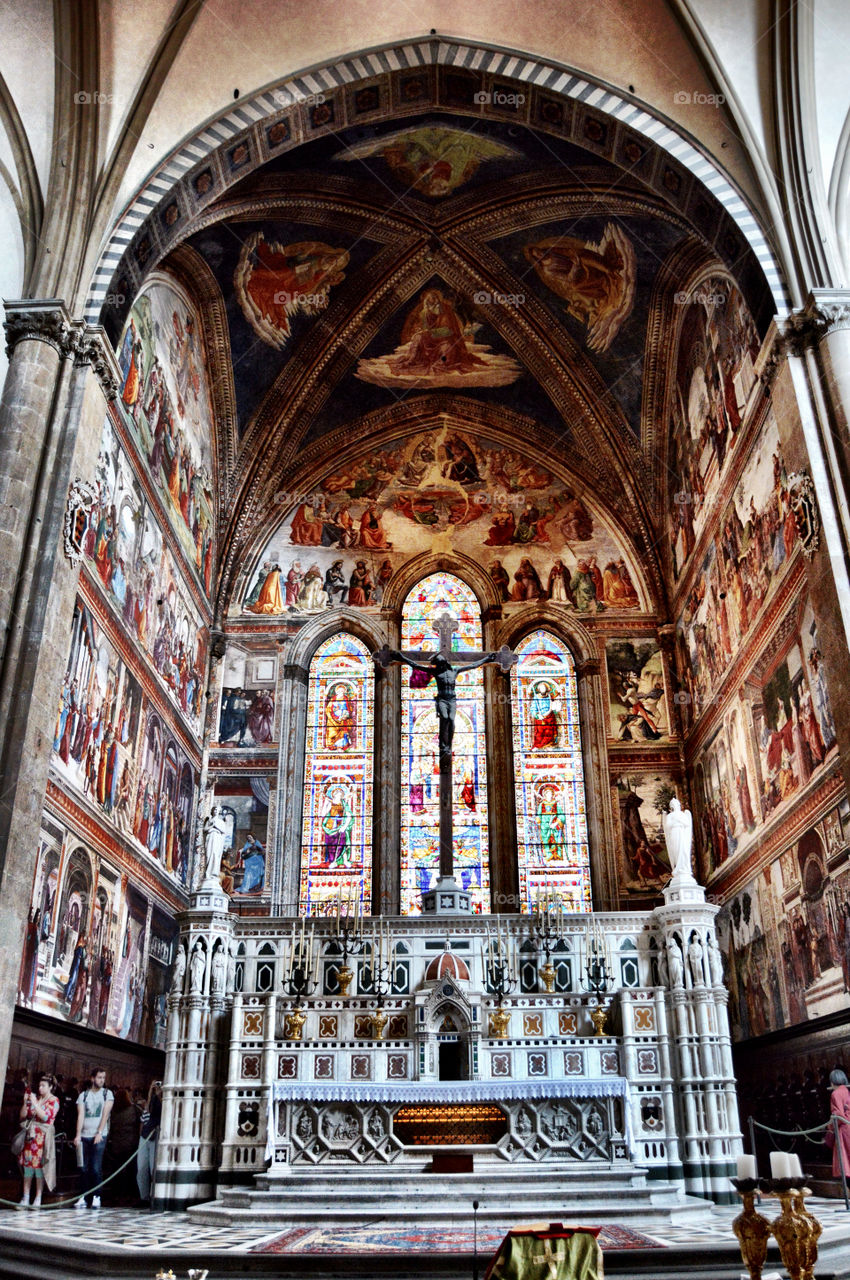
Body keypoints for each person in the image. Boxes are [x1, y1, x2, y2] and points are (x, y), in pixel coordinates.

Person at [73, 1067, 114, 1209]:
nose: (102, 1080)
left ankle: (97, 1196)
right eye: (99, 1077)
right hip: (85, 1134)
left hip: (99, 1135)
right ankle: (83, 1197)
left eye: (103, 1078)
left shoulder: (107, 1094)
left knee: (96, 1167)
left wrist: (100, 1132)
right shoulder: (83, 1095)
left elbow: (106, 1114)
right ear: (92, 1078)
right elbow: (81, 1115)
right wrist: (78, 1134)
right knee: (83, 1168)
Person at [17, 1074, 59, 1208]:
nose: (40, 1088)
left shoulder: (54, 1100)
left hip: (43, 1138)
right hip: (31, 1136)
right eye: (39, 1085)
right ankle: (26, 1197)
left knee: (40, 1169)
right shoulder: (37, 1098)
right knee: (28, 1168)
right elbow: (23, 1115)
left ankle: (38, 1197)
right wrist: (25, 1102)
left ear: (50, 1087)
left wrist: (35, 1103)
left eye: (43, 1086)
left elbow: (46, 1117)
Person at [136, 1081, 162, 1206]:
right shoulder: (151, 1100)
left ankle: (155, 1196)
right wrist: (151, 1092)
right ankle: (144, 1197)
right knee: (141, 1168)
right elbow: (147, 1111)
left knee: (153, 1168)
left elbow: (162, 1111)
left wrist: (159, 1094)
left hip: (155, 1134)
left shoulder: (162, 1100)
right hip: (145, 1136)